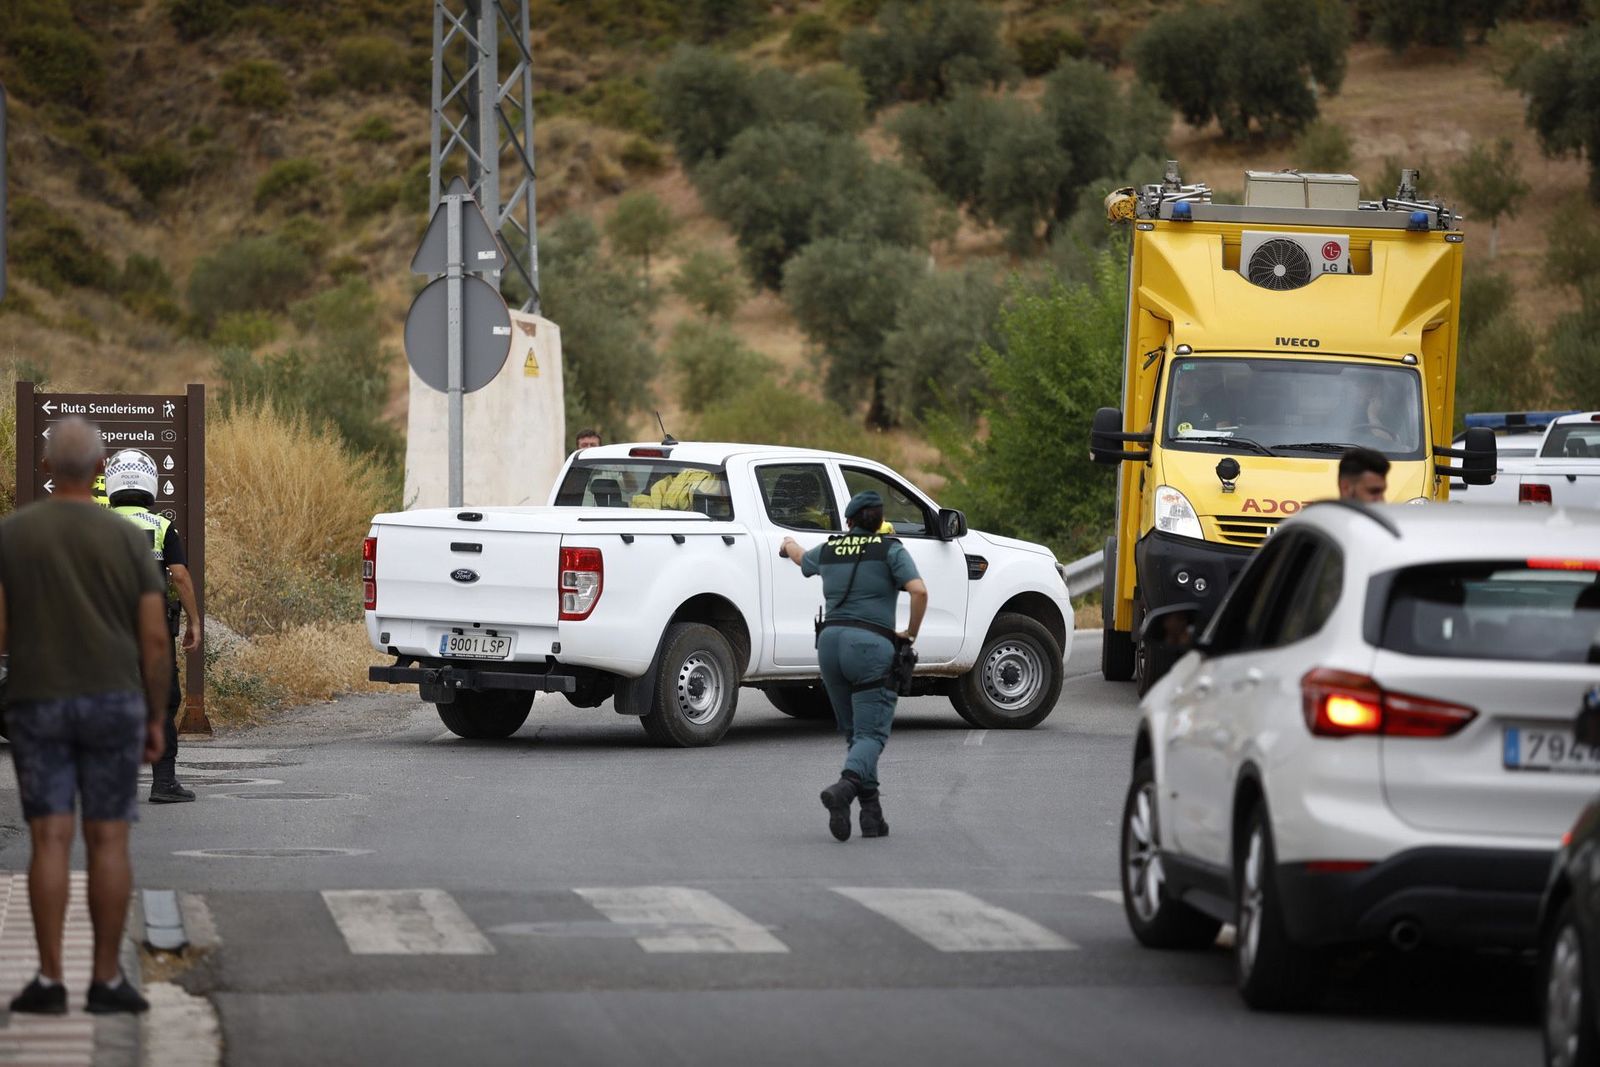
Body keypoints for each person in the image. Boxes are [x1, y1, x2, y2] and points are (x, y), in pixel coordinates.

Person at [0, 417, 169, 1015]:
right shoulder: (129, 540)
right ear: (100, 472)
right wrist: (155, 717)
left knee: (49, 838)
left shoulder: (12, 535)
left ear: (46, 468)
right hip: (113, 702)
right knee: (108, 839)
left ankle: (48, 981)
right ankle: (104, 981)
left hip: (37, 700)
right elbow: (153, 639)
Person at [780, 491, 928, 842]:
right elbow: (919, 591)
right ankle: (845, 789)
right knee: (871, 735)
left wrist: (788, 544)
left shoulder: (831, 549)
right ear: (879, 521)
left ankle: (872, 817)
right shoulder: (890, 550)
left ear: (848, 522)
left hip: (829, 646)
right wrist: (909, 633)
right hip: (870, 648)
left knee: (856, 735)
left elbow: (802, 560)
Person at [102, 449, 201, 803]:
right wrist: (194, 619)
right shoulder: (162, 527)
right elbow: (180, 575)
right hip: (152, 631)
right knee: (162, 700)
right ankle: (163, 784)